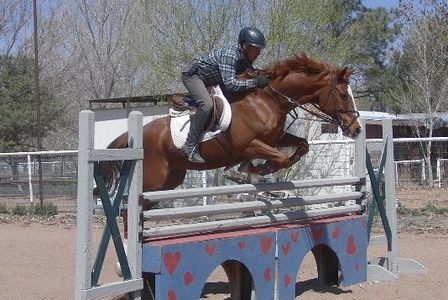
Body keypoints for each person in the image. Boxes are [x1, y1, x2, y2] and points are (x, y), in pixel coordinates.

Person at [181, 26, 271, 163]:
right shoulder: (230, 55)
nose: (259, 53)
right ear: (245, 45)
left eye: (260, 49)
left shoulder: (246, 58)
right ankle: (189, 146)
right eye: (256, 48)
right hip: (194, 77)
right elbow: (230, 84)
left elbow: (249, 75)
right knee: (207, 105)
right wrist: (255, 83)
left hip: (213, 80)